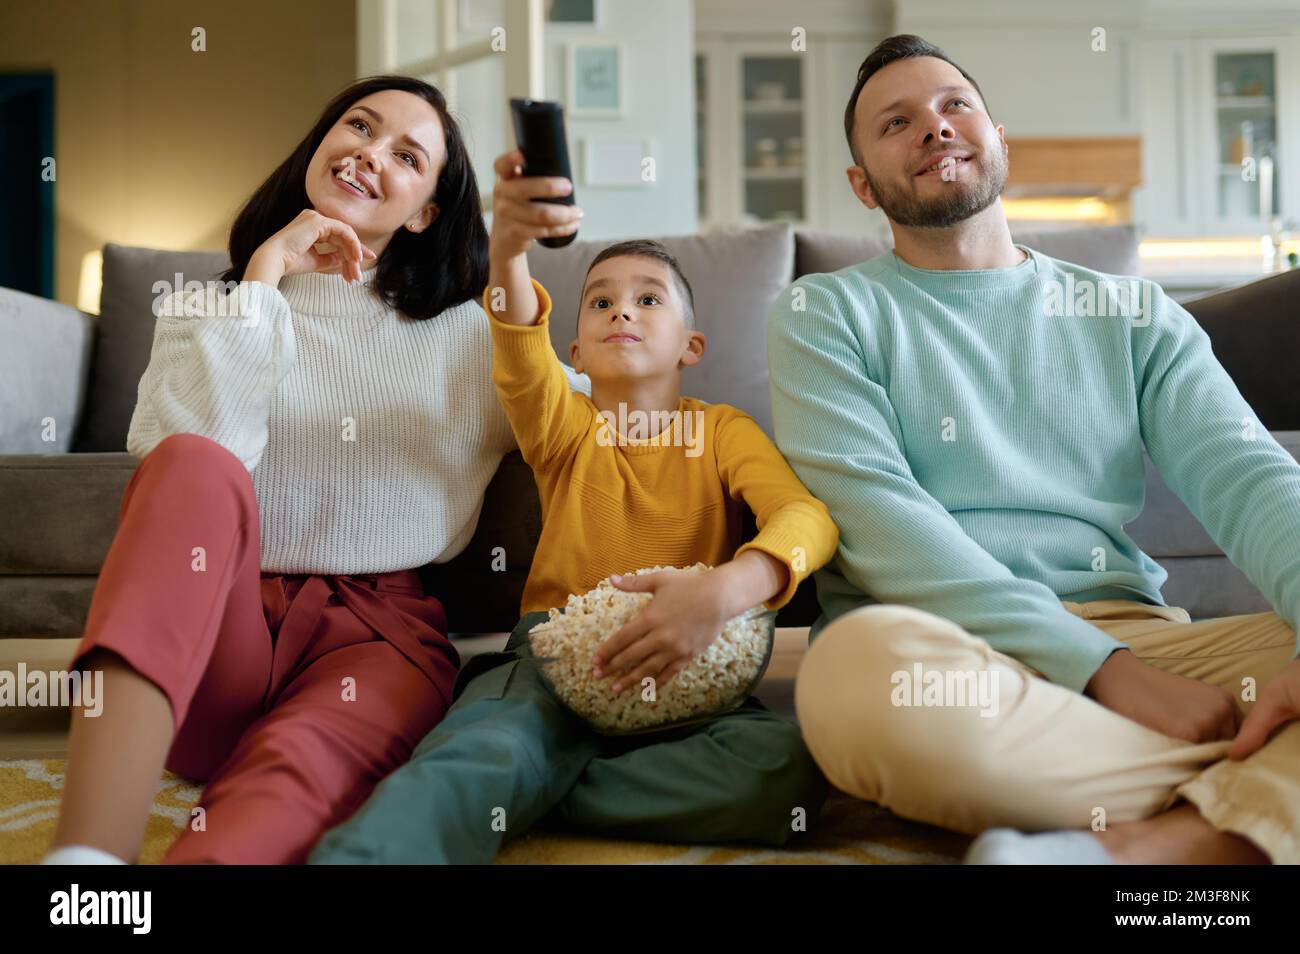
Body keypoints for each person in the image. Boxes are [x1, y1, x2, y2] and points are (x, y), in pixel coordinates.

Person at [771, 34, 1300, 864]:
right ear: (861, 183)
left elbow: (1248, 472)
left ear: (998, 135)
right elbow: (880, 519)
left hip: (1150, 640)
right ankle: (1248, 784)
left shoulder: (1135, 313)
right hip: (950, 651)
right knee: (849, 676)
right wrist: (1107, 675)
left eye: (954, 107)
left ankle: (1148, 846)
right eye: (897, 122)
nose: (935, 129)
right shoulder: (824, 314)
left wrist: (1136, 661)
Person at [45, 76, 528, 864]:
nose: (370, 153)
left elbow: (573, 426)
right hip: (216, 627)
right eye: (359, 127)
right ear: (320, 145)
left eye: (406, 155)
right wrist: (264, 278)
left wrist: (518, 272)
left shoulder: (464, 335)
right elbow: (192, 457)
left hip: (376, 639)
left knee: (289, 784)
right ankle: (85, 867)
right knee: (192, 465)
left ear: (426, 212)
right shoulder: (207, 310)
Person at [309, 148, 839, 864]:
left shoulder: (724, 431)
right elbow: (518, 344)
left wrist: (725, 589)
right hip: (553, 667)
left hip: (689, 662)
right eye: (601, 301)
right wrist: (510, 247)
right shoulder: (565, 426)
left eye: (650, 298)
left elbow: (807, 520)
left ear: (692, 345)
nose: (623, 307)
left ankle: (532, 788)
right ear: (578, 352)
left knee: (789, 775)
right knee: (480, 755)